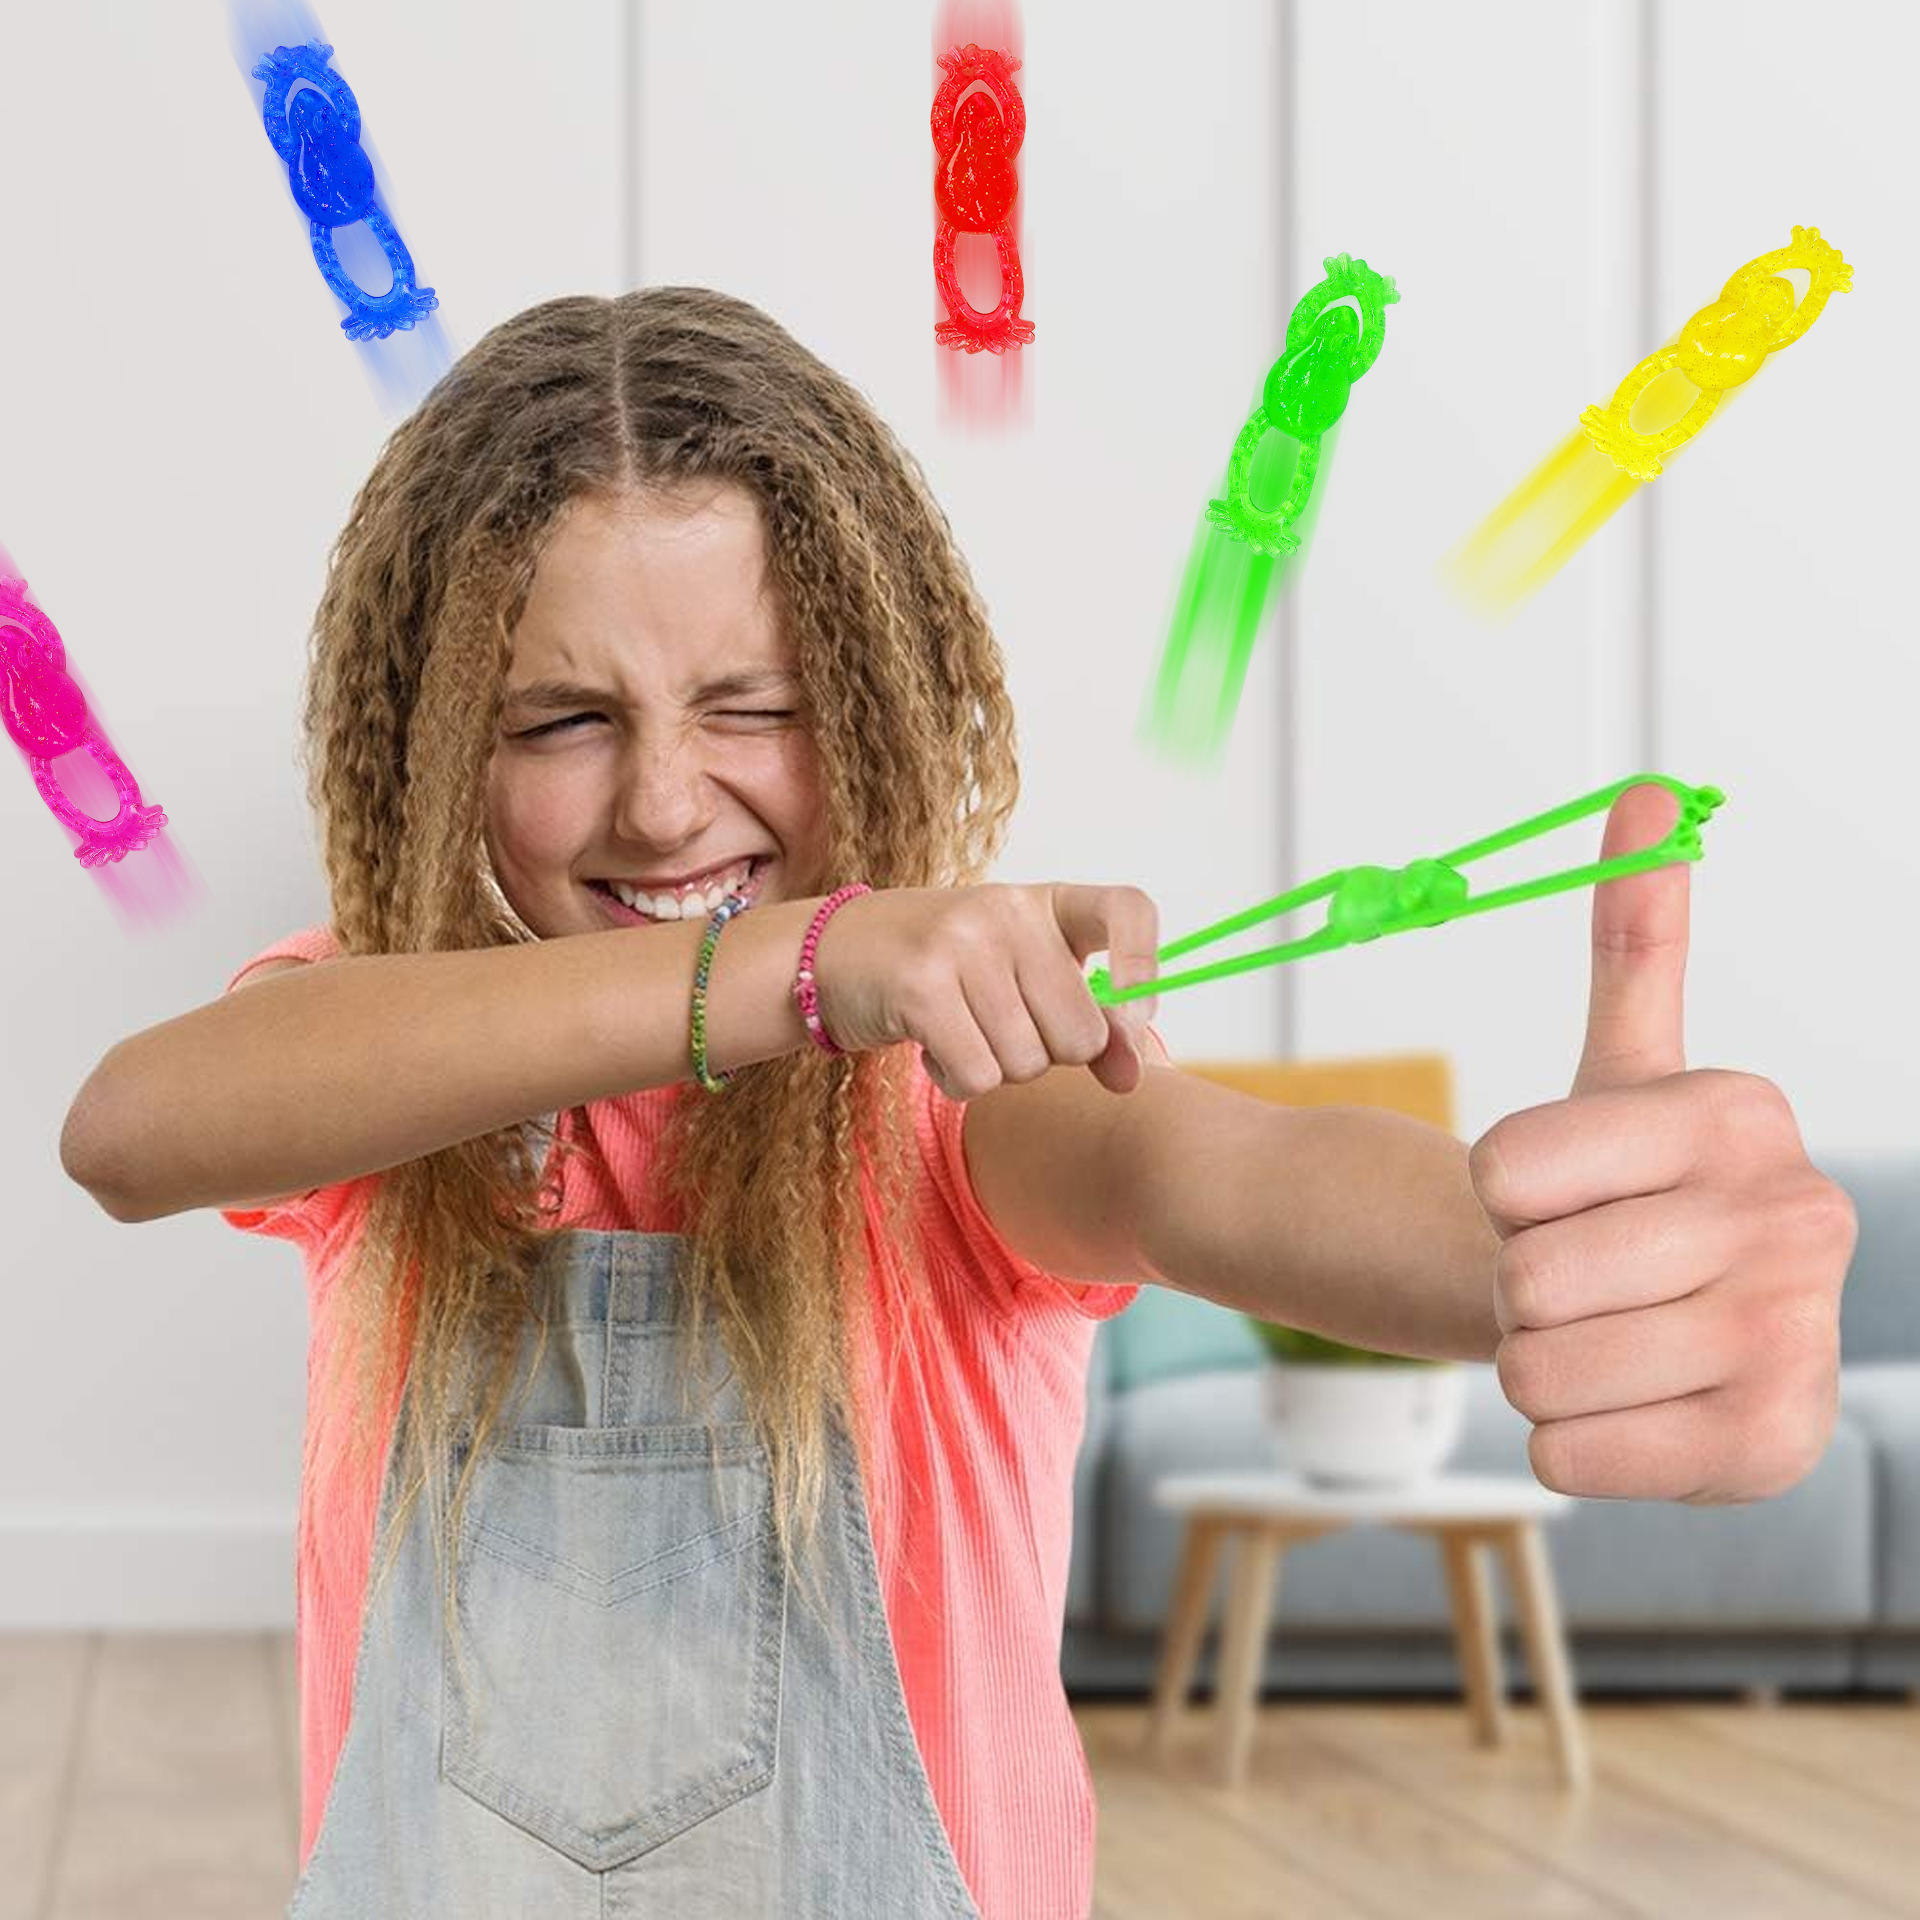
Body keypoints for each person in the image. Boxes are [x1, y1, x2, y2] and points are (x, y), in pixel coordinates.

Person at [59, 287, 1853, 1920]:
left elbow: (1220, 1172)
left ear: (879, 692)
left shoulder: (961, 1092)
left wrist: (1561, 1262)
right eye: (557, 724)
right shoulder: (402, 1057)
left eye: (753, 703)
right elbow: (134, 1128)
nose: (669, 806)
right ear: (437, 743)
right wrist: (800, 965)